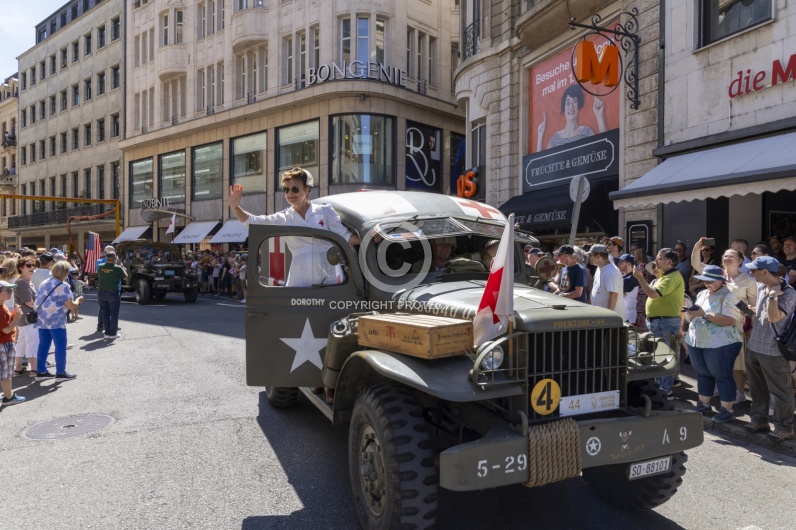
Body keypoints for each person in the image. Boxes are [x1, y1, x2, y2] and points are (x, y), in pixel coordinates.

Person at [229, 167, 360, 288]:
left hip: (329, 274)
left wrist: (368, 238)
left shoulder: (325, 211)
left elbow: (345, 236)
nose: (290, 193)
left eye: (295, 189)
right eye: (286, 190)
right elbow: (253, 222)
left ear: (306, 189)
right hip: (299, 277)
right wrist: (235, 208)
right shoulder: (283, 217)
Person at [744, 256, 796, 441]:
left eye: (754, 270)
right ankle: (759, 420)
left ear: (765, 272)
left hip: (773, 350)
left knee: (781, 390)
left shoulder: (788, 293)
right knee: (756, 387)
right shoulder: (760, 286)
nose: (751, 273)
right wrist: (750, 310)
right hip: (754, 346)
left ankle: (784, 428)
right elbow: (763, 313)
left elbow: (774, 317)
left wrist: (773, 296)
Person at [683, 265, 743, 423]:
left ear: (721, 281)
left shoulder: (728, 295)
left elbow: (730, 320)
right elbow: (698, 314)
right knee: (703, 373)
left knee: (722, 374)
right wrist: (691, 312)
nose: (706, 283)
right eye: (704, 280)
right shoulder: (702, 293)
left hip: (721, 342)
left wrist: (704, 315)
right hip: (697, 340)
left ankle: (727, 410)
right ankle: (703, 405)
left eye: (710, 281)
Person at [633, 248, 685, 399]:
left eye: (659, 258)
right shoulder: (665, 276)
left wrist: (640, 278)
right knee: (658, 356)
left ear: (669, 262)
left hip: (664, 321)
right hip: (659, 321)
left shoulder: (672, 277)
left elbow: (653, 294)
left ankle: (665, 390)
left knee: (664, 357)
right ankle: (660, 388)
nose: (656, 261)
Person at [34, 261, 84, 381]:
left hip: (42, 318)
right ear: (65, 273)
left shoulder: (45, 282)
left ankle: (41, 371)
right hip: (56, 319)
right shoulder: (63, 286)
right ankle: (60, 372)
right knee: (60, 345)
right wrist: (78, 301)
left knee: (43, 344)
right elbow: (71, 306)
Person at [537, 84, 606, 150]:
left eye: (574, 101)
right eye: (568, 103)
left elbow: (603, 149)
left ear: (578, 105)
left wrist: (599, 116)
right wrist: (540, 136)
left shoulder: (586, 132)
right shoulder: (555, 139)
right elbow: (542, 158)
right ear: (564, 108)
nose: (571, 106)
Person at [12, 257, 39, 377]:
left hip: (24, 318)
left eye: (33, 265)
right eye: (28, 265)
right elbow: (29, 302)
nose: (32, 267)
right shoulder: (22, 282)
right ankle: (34, 370)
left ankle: (17, 368)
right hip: (29, 318)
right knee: (32, 343)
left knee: (22, 343)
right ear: (21, 268)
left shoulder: (27, 282)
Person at [0, 281, 25, 406]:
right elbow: (6, 329)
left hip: (5, 342)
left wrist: (15, 315)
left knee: (6, 371)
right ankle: (8, 397)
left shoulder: (3, 306)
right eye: (8, 290)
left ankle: (7, 394)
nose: (11, 293)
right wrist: (17, 317)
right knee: (6, 372)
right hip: (3, 344)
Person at [96, 251, 127, 341]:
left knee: (104, 313)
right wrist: (122, 267)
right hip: (113, 292)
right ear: (115, 259)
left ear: (106, 258)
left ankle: (107, 333)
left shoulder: (100, 266)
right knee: (114, 313)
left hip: (101, 292)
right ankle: (113, 333)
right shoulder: (118, 268)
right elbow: (126, 277)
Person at [589, 244, 625, 318]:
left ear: (598, 256)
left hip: (610, 320)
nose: (588, 257)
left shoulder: (611, 271)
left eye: (590, 255)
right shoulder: (599, 268)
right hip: (599, 317)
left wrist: (608, 318)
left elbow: (613, 296)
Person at [618, 254, 639, 325]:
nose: (618, 264)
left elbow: (615, 294)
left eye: (621, 262)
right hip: (624, 314)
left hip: (628, 316)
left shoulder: (629, 279)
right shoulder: (625, 278)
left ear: (629, 264)